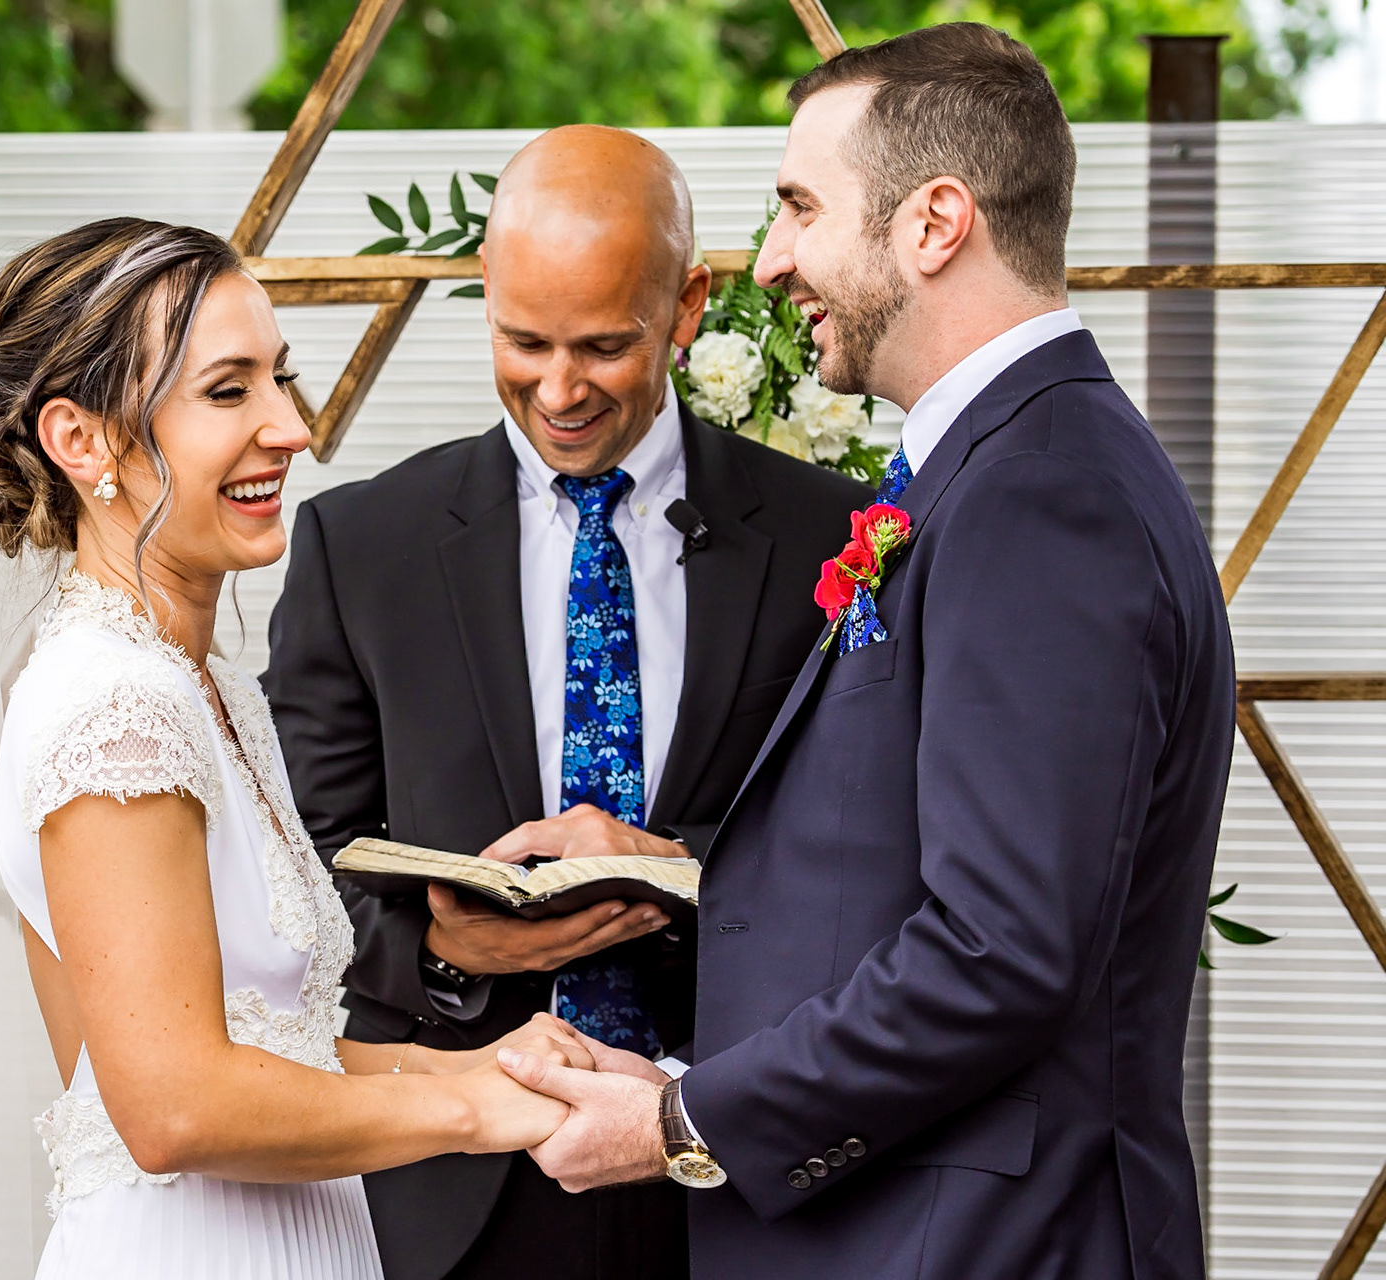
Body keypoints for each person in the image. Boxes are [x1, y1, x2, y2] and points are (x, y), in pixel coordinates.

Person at [498, 24, 1236, 1280]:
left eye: (800, 207)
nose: (771, 258)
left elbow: (1000, 950)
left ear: (935, 222)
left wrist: (684, 1124)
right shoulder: (997, 466)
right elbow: (897, 874)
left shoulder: (1041, 493)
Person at [0, 217, 603, 1280]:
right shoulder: (114, 707)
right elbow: (171, 1107)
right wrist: (472, 1111)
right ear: (82, 441)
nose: (290, 427)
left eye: (279, 378)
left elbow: (265, 1047)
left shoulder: (201, 687)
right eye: (227, 391)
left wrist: (480, 1063)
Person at [262, 127, 869, 1280]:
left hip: (745, 1170)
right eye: (522, 340)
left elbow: (872, 848)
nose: (558, 389)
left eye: (602, 346)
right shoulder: (361, 546)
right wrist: (445, 949)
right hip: (450, 1192)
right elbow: (295, 871)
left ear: (686, 306)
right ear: (487, 291)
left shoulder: (829, 538)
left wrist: (678, 866)